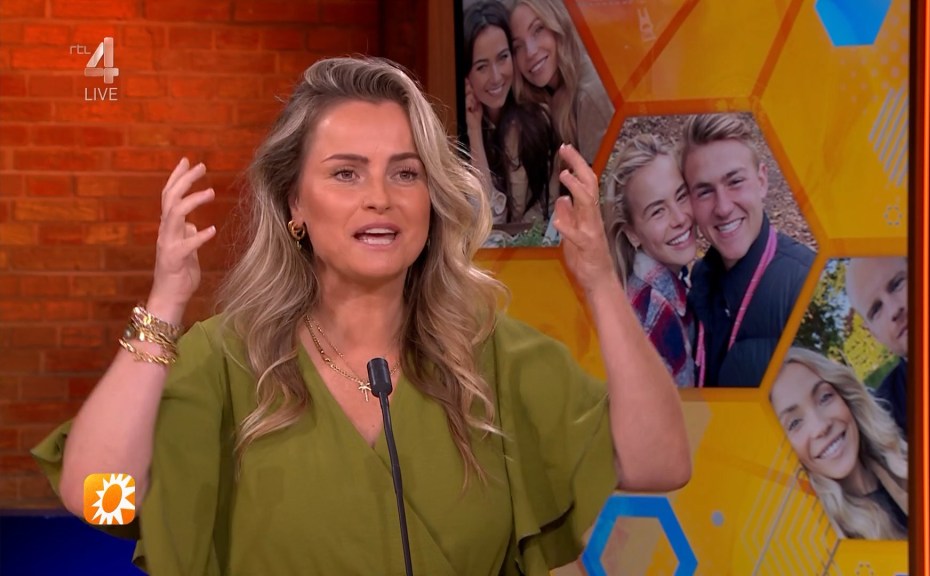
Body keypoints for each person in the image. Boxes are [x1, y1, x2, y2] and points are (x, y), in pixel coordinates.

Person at [31, 57, 690, 575]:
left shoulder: (494, 357)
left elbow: (660, 463)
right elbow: (99, 497)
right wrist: (165, 304)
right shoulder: (226, 361)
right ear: (294, 204)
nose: (380, 198)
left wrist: (601, 284)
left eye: (405, 174)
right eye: (346, 174)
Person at [681, 113, 814, 387]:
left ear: (762, 181)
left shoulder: (806, 285)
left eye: (735, 182)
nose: (723, 207)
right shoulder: (701, 279)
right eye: (704, 191)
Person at [771, 347, 908, 540]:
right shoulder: (824, 541)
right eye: (794, 423)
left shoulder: (909, 457)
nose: (821, 427)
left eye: (825, 397)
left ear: (845, 396)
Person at [604, 134, 697, 387]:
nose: (680, 218)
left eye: (681, 196)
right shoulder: (655, 313)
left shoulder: (669, 285)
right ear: (632, 233)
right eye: (658, 211)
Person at [463, 0, 560, 226]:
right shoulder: (458, 129)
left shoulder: (536, 122)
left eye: (503, 57)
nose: (496, 77)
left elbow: (537, 225)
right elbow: (482, 221)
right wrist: (474, 130)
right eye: (482, 67)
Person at [508, 0, 614, 165]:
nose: (530, 52)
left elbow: (603, 179)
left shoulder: (589, 95)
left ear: (558, 24)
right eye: (518, 46)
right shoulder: (547, 97)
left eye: (538, 30)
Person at [845, 257, 909, 435]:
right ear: (873, 333)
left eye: (896, 285)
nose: (894, 310)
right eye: (876, 309)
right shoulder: (886, 421)